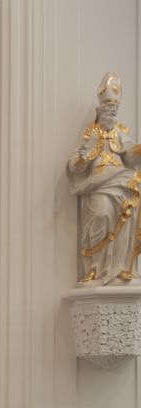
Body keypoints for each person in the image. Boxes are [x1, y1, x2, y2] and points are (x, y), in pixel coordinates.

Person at [67, 72, 141, 285]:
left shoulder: (120, 132)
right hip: (99, 182)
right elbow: (76, 163)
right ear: (101, 110)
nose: (112, 113)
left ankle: (121, 267)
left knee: (128, 213)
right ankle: (97, 269)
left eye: (115, 109)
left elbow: (129, 152)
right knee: (101, 215)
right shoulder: (91, 133)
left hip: (120, 179)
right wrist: (82, 160)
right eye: (108, 109)